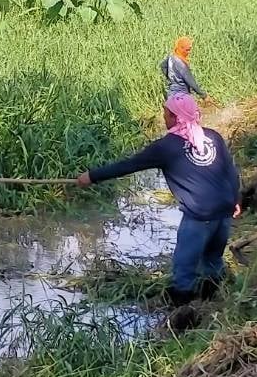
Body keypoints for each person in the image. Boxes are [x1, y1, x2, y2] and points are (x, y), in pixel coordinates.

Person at [78, 94, 241, 306]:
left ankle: (182, 316)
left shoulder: (166, 147)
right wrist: (235, 199)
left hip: (200, 216)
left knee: (184, 269)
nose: (163, 117)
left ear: (175, 117)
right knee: (213, 260)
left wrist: (92, 176)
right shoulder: (213, 137)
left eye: (165, 113)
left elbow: (129, 165)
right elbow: (230, 171)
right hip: (225, 209)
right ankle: (214, 305)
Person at [161, 37, 207, 126]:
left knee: (176, 124)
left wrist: (170, 77)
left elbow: (163, 66)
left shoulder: (171, 57)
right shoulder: (181, 64)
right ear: (181, 48)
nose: (189, 52)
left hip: (171, 96)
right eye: (187, 50)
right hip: (182, 96)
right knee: (192, 121)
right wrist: (203, 95)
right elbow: (190, 81)